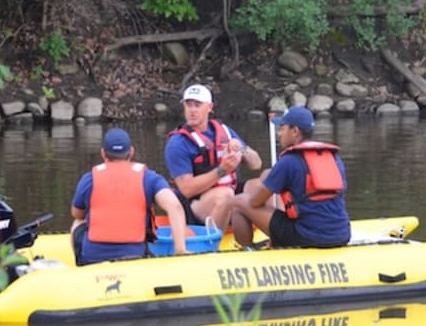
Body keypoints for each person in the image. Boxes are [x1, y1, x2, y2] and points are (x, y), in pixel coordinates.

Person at [230, 106, 351, 248]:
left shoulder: (288, 161)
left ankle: (248, 251)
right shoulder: (334, 158)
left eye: (282, 128)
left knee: (238, 201)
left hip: (306, 236)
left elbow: (255, 202)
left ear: (295, 131)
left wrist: (267, 183)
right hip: (341, 233)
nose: (279, 133)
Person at [71, 127, 187, 265]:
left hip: (93, 258)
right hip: (134, 255)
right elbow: (174, 206)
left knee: (78, 222)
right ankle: (180, 251)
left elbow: (77, 213)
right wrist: (180, 249)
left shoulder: (89, 179)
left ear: (103, 153)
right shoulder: (149, 178)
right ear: (131, 152)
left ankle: (80, 268)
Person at [163, 84, 262, 231]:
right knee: (225, 194)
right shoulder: (178, 143)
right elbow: (186, 189)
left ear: (209, 107)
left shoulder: (225, 131)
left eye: (197, 105)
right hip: (195, 204)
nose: (192, 110)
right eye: (188, 105)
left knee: (265, 185)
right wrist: (222, 170)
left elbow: (256, 164)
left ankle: (277, 238)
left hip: (229, 191)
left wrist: (241, 149)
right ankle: (211, 244)